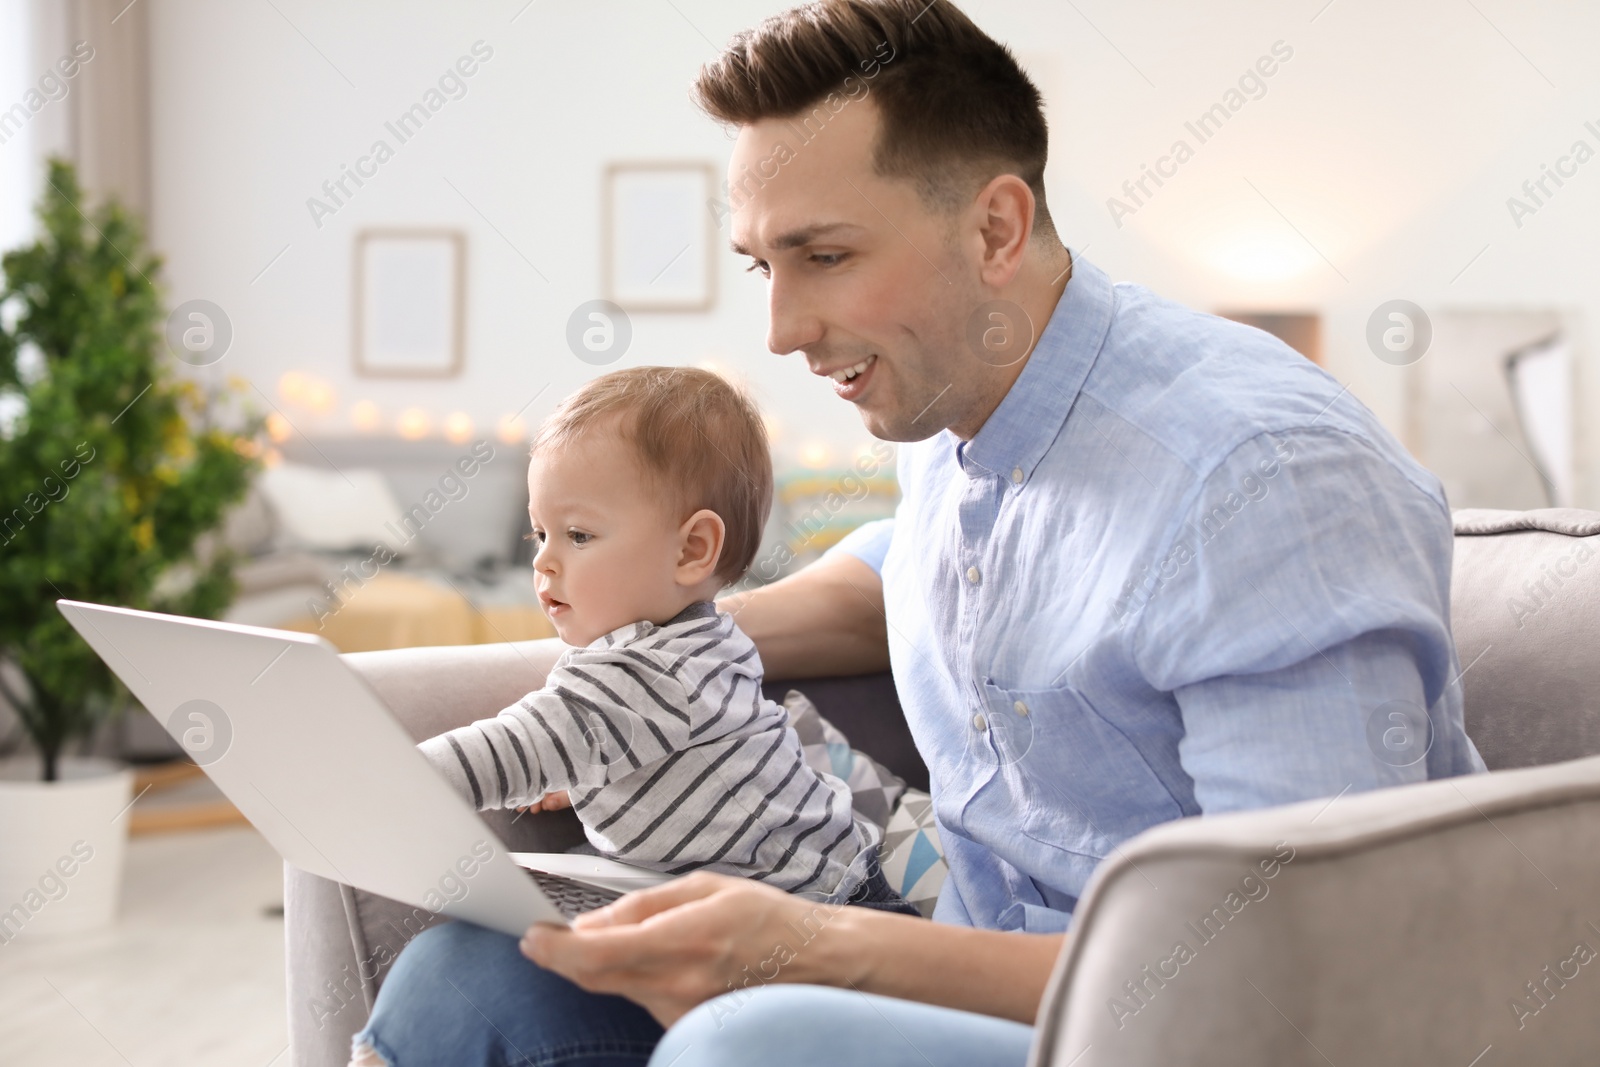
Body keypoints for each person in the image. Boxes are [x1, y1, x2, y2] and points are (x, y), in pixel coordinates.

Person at [349, 2, 1485, 1065]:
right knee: (462, 979)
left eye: (826, 256)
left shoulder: (1259, 478)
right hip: (956, 958)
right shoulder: (954, 403)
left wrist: (812, 946)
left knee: (740, 1045)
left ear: (995, 226)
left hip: (1175, 1023)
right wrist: (663, 649)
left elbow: (1294, 955)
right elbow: (913, 571)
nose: (785, 328)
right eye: (763, 263)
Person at [412, 366, 911, 910]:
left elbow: (512, 750)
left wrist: (396, 779)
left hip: (822, 914)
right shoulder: (701, 642)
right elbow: (648, 747)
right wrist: (583, 770)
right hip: (834, 880)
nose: (543, 561)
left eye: (579, 535)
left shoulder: (651, 674)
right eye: (540, 533)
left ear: (692, 550)